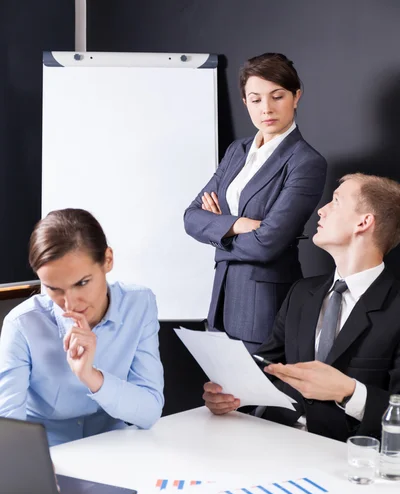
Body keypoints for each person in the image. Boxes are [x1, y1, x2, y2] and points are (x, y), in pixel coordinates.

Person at [203, 173, 400, 442]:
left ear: (363, 222)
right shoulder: (301, 293)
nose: (322, 210)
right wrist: (232, 394)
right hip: (274, 439)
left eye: (336, 201)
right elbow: (267, 366)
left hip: (347, 455)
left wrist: (349, 392)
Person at [184, 52, 327, 352]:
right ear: (245, 101)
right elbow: (191, 217)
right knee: (222, 396)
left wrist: (218, 232)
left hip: (263, 306)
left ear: (296, 96)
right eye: (256, 99)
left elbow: (267, 243)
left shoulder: (305, 162)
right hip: (222, 295)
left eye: (277, 96)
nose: (267, 109)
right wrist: (237, 224)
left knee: (257, 395)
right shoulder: (238, 150)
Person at [0, 209, 164, 446]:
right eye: (54, 289)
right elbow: (8, 431)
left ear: (108, 260)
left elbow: (149, 411)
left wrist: (90, 376)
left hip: (114, 450)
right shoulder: (22, 324)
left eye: (82, 283)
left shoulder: (139, 304)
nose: (71, 303)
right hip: (48, 456)